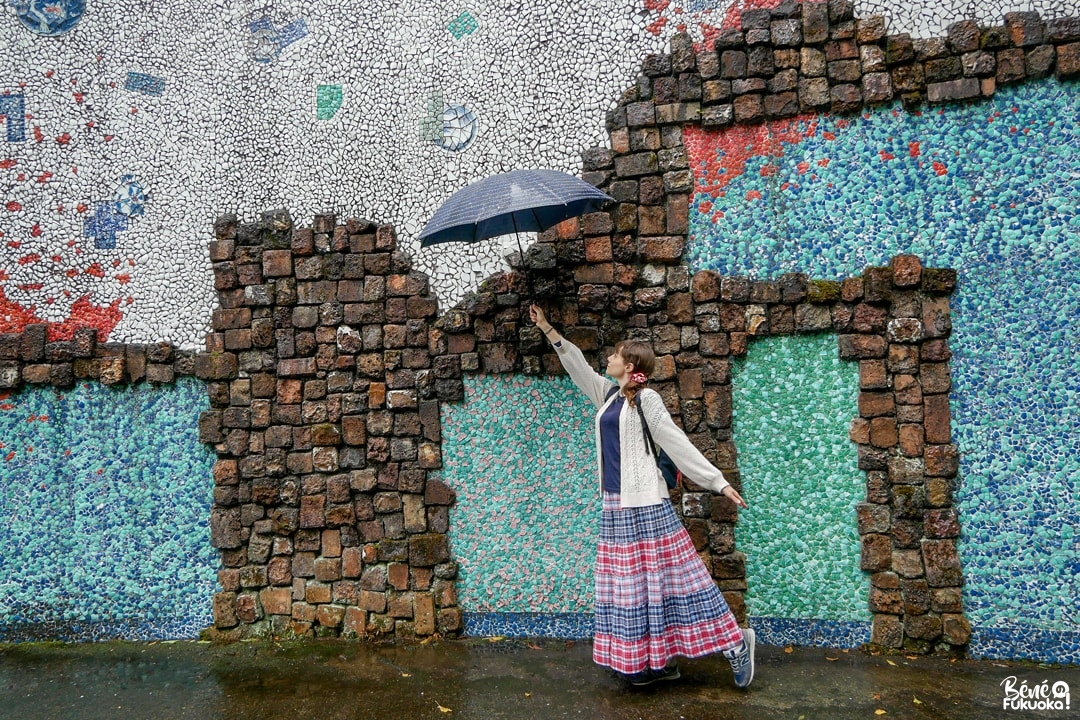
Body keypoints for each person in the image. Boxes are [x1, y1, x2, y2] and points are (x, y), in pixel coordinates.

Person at [529, 304, 757, 688]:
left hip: (648, 505)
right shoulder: (607, 395)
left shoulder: (647, 400)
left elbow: (675, 441)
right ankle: (656, 662)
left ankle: (737, 643)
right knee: (634, 590)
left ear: (630, 362)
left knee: (684, 579)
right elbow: (577, 366)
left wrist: (716, 480)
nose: (609, 357)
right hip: (615, 505)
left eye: (615, 355)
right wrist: (548, 328)